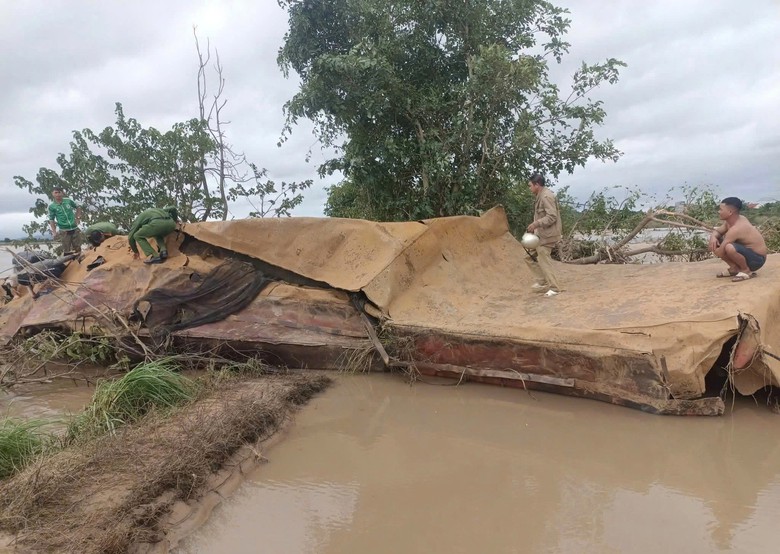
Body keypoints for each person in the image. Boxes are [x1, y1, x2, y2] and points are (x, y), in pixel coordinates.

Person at [708, 197, 768, 282]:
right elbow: (717, 231)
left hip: (757, 260)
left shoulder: (737, 228)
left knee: (729, 247)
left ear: (730, 212)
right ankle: (734, 268)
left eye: (721, 209)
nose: (719, 212)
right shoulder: (734, 220)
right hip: (748, 254)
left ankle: (746, 270)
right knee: (718, 241)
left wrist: (713, 247)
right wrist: (713, 238)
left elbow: (721, 252)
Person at [525, 173, 563, 297]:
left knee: (543, 258)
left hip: (548, 235)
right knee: (528, 256)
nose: (529, 188)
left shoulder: (546, 196)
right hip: (541, 234)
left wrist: (536, 224)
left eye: (530, 185)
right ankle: (542, 282)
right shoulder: (540, 195)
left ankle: (554, 288)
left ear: (537, 185)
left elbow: (552, 217)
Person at [48, 187, 82, 254]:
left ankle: (79, 262)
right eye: (56, 192)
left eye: (59, 192)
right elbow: (51, 220)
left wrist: (78, 218)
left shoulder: (68, 201)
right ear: (53, 194)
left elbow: (78, 207)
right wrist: (54, 232)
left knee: (78, 248)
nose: (58, 194)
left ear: (62, 193)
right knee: (67, 250)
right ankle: (69, 263)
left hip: (74, 228)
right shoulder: (52, 206)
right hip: (64, 231)